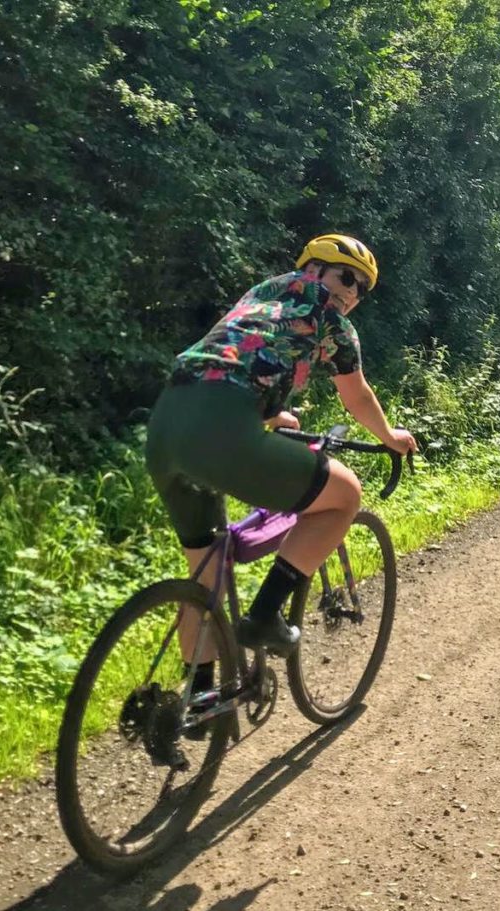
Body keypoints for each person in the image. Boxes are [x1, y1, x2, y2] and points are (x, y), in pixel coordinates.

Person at [146, 233, 417, 670]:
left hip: (166, 425)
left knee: (206, 574)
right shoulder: (332, 321)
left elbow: (233, 360)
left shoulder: (261, 294)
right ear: (312, 269)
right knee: (345, 493)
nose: (350, 292)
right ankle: (265, 615)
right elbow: (356, 396)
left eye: (361, 289)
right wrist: (390, 437)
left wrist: (270, 416)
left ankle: (196, 701)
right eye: (345, 276)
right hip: (224, 428)